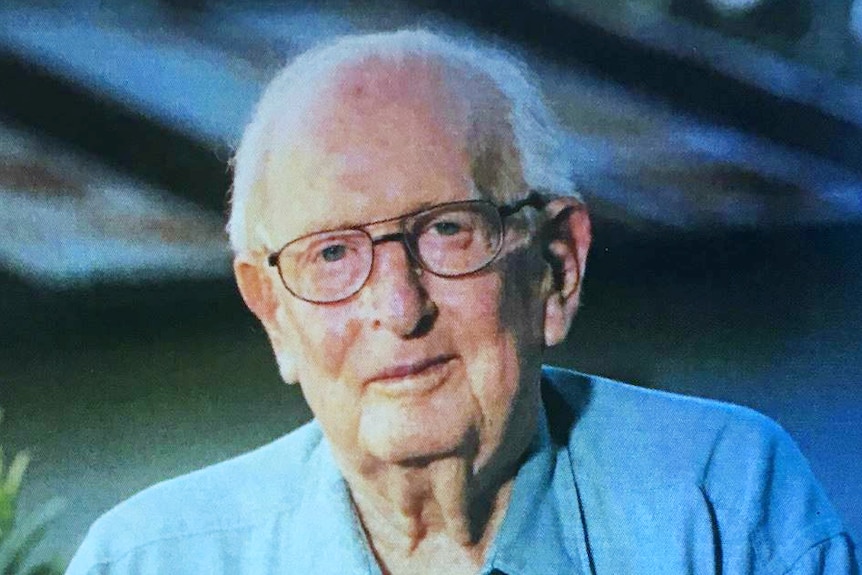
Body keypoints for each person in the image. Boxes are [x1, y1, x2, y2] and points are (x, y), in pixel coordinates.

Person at [67, 30, 857, 574]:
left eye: (447, 229)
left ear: (556, 268)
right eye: (333, 252)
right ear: (274, 312)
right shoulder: (146, 558)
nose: (398, 305)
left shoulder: (724, 501)